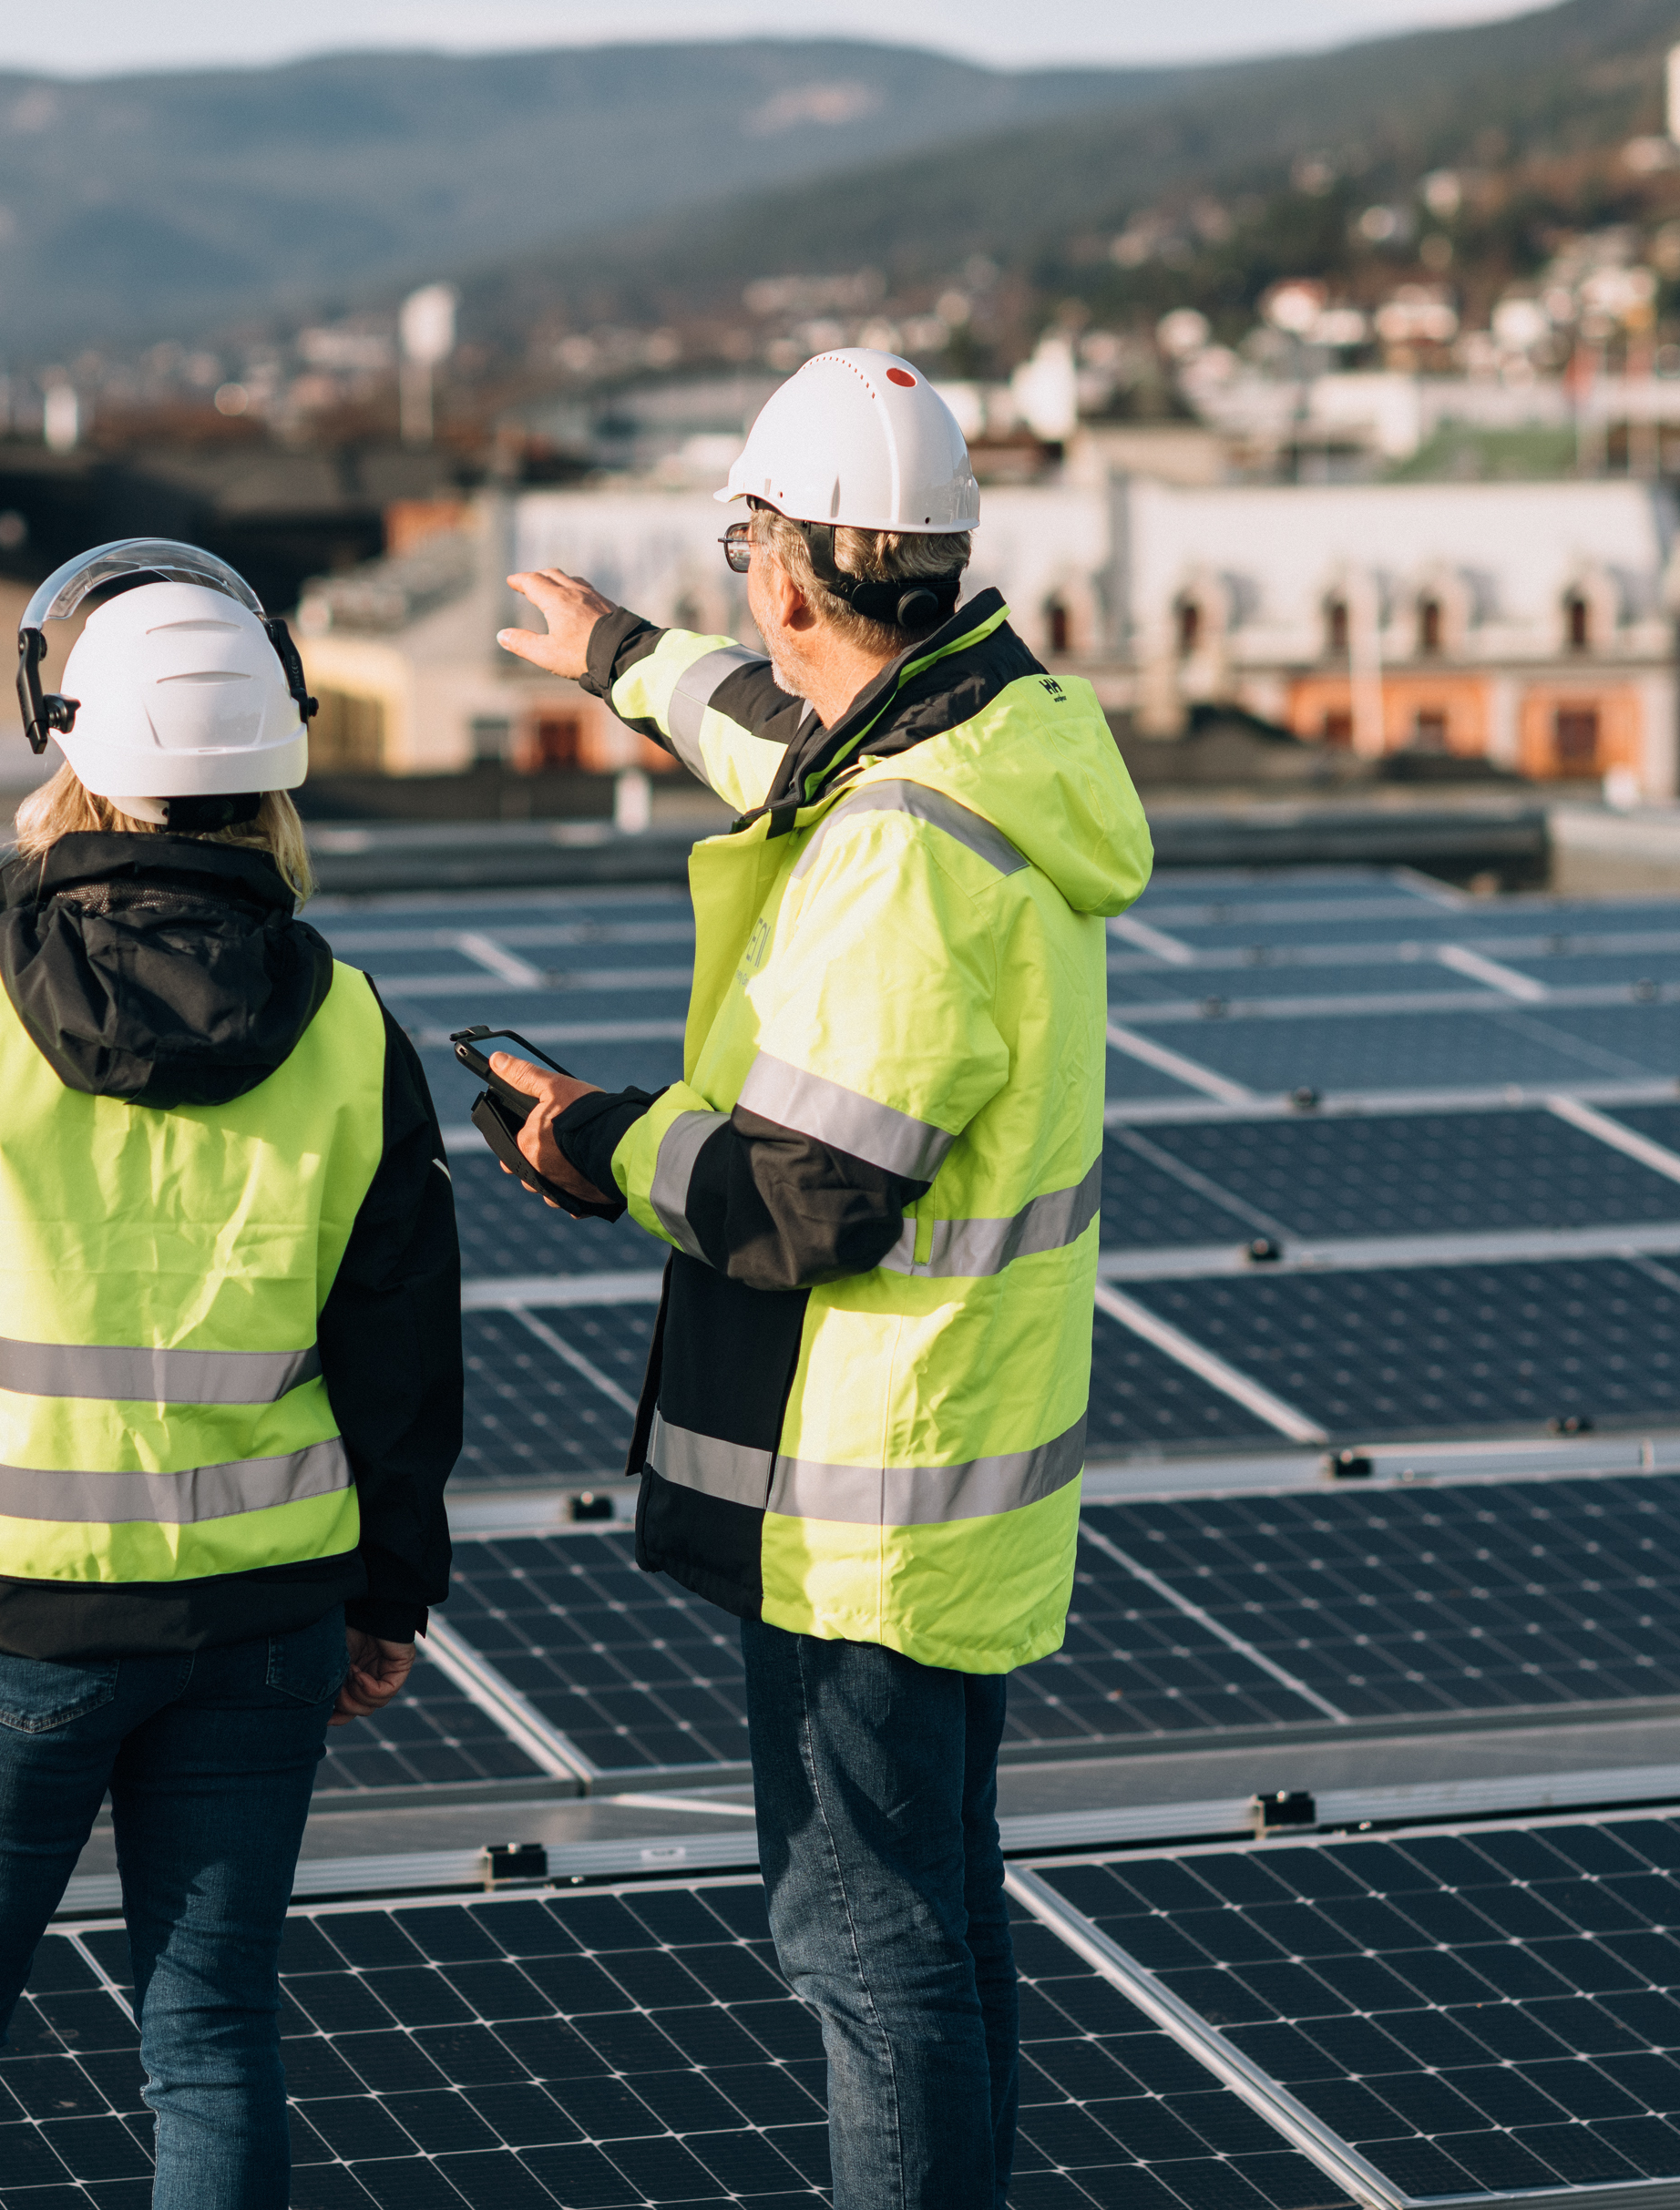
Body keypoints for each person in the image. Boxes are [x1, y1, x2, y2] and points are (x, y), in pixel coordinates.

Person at [489, 349, 1152, 2209]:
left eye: (736, 565)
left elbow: (806, 1194)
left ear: (786, 572)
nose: (737, 606)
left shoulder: (897, 853)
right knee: (937, 1919)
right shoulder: (979, 749)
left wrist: (594, 1141)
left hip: (866, 1488)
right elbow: (774, 734)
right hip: (961, 1462)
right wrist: (618, 654)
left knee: (868, 1955)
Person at [0, 539, 461, 2210]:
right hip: (265, 1616)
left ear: (69, 745)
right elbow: (403, 1360)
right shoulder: (354, 1027)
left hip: (9, 1612)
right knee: (215, 2037)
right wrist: (389, 1595)